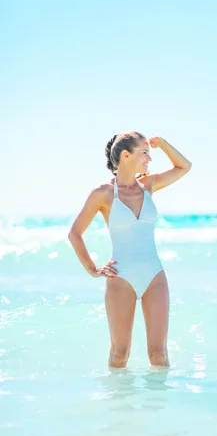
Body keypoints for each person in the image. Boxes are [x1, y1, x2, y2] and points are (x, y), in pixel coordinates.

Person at [68, 131, 192, 369]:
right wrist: (93, 269)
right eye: (144, 152)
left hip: (155, 275)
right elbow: (75, 233)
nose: (149, 158)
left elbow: (184, 166)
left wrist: (163, 144)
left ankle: (158, 404)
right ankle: (118, 405)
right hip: (120, 277)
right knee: (119, 354)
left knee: (159, 354)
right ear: (126, 155)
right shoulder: (103, 193)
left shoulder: (148, 185)